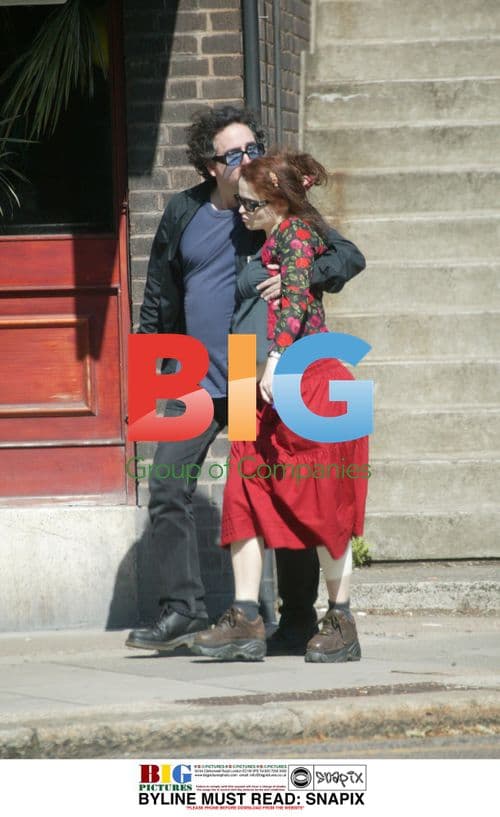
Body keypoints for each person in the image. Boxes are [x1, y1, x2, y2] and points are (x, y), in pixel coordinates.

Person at [125, 106, 366, 655]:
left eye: (253, 146)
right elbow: (161, 292)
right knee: (166, 485)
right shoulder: (184, 211)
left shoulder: (273, 209)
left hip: (250, 376)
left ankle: (298, 618)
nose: (247, 158)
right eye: (233, 153)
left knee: (271, 491)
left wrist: (298, 278)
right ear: (210, 165)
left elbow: (346, 258)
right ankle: (182, 610)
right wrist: (154, 368)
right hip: (192, 376)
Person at [190, 151, 369, 663]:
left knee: (321, 501)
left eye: (249, 205)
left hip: (299, 375)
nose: (239, 212)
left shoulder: (297, 234)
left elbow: (306, 289)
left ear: (276, 200)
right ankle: (245, 617)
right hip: (251, 377)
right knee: (245, 491)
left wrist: (277, 356)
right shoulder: (255, 231)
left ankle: (338, 619)